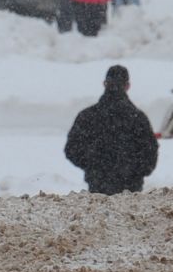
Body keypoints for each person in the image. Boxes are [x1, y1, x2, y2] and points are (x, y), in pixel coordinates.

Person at [64, 65, 160, 195]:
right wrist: (135, 171)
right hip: (131, 188)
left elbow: (72, 149)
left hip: (98, 186)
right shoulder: (137, 118)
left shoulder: (87, 116)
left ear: (105, 84)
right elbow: (150, 150)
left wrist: (93, 167)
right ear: (127, 86)